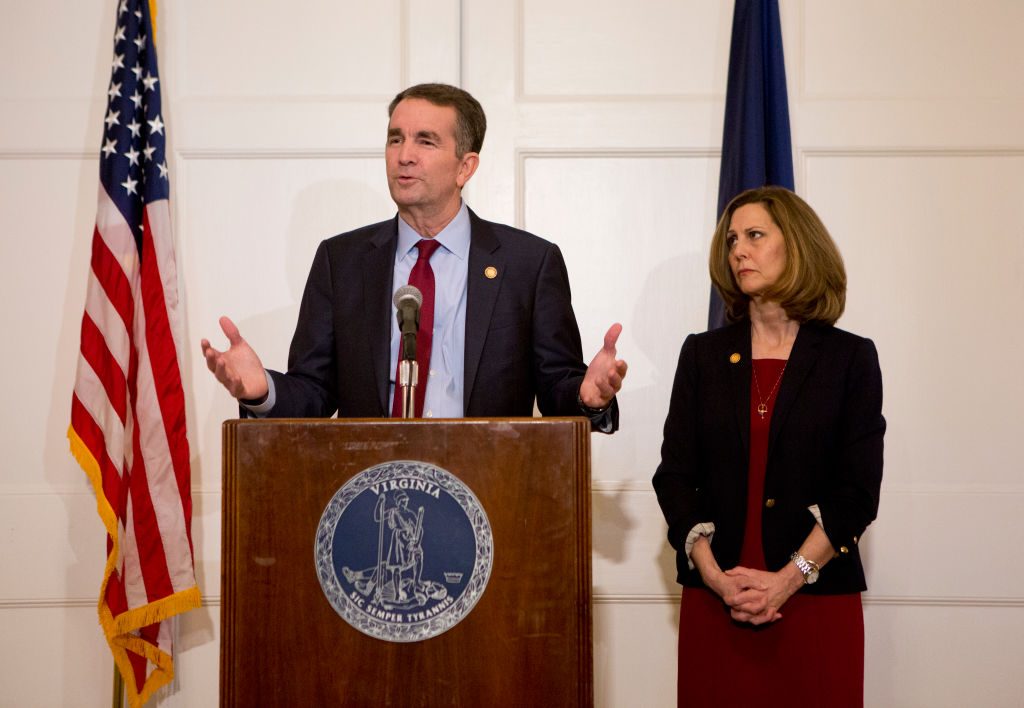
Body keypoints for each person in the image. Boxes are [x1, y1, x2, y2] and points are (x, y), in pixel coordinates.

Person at [201, 84, 627, 430]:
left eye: (425, 141)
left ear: (466, 167)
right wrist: (263, 392)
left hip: (492, 485)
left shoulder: (529, 264)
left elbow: (557, 389)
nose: (404, 154)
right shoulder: (342, 261)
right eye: (395, 139)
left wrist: (586, 398)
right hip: (372, 494)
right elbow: (315, 391)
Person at [652, 186, 884, 706]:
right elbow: (674, 477)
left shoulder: (850, 359)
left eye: (755, 235)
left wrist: (787, 579)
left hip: (813, 601)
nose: (738, 250)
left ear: (797, 246)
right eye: (732, 239)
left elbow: (856, 493)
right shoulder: (702, 356)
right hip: (718, 602)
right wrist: (714, 577)